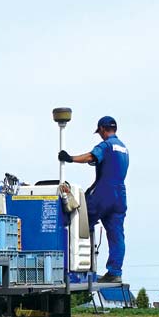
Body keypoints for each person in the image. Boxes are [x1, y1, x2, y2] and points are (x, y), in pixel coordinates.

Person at [59, 115, 129, 283]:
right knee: (116, 235)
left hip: (105, 192)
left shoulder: (106, 145)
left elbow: (91, 157)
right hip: (120, 195)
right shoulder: (124, 148)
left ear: (103, 129)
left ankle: (74, 265)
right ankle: (115, 272)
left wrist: (70, 158)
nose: (100, 135)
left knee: (79, 220)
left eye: (100, 132)